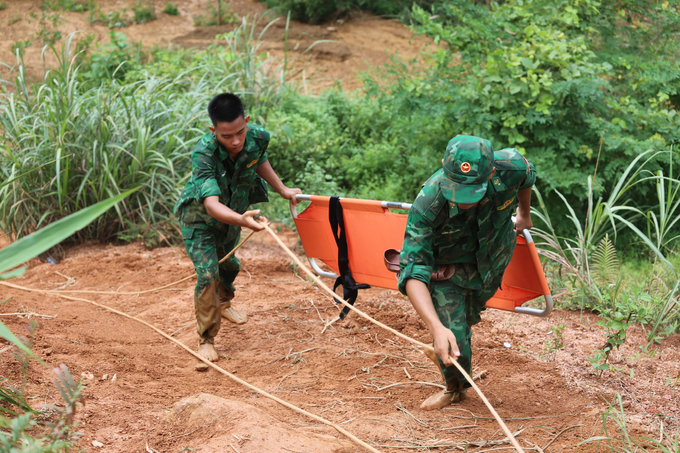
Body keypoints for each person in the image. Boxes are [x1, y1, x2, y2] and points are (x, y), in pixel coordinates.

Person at [398, 135, 535, 410]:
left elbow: (527, 176)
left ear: (492, 172)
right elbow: (413, 270)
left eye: (471, 192)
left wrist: (524, 211)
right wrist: (436, 327)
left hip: (493, 260)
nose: (462, 201)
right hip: (449, 270)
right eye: (455, 190)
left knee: (467, 319)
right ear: (442, 166)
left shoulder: (511, 167)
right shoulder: (428, 203)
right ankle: (455, 389)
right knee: (453, 330)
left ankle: (450, 345)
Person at [174, 93, 301, 361]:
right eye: (226, 136)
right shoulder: (204, 151)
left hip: (233, 212)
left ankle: (224, 302)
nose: (235, 141)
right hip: (200, 220)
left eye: (240, 133)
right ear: (213, 130)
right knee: (208, 274)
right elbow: (210, 204)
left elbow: (258, 160)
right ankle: (206, 339)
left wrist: (282, 190)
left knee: (229, 265)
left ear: (247, 122)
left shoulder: (257, 137)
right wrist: (242, 219)